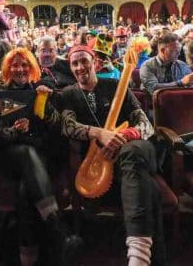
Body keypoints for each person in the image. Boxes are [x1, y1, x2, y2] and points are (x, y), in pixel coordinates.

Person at [59, 45, 164, 265]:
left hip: (135, 148)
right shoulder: (69, 94)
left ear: (94, 61)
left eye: (84, 61)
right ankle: (145, 257)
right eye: (74, 63)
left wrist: (125, 135)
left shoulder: (117, 85)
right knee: (150, 189)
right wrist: (98, 133)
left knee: (132, 151)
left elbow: (146, 124)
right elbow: (67, 126)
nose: (80, 67)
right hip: (106, 163)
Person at [0, 47, 82, 265]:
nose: (20, 69)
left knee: (26, 192)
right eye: (15, 65)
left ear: (32, 68)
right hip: (11, 155)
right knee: (26, 152)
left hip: (39, 157)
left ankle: (30, 258)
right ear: (7, 69)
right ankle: (57, 227)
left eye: (25, 65)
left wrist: (47, 103)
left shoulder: (41, 88)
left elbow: (56, 128)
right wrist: (16, 131)